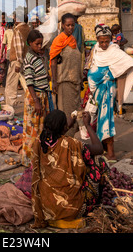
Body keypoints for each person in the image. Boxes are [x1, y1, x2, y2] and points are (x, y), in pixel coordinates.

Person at [31, 109, 108, 229]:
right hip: (72, 209)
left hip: (47, 207)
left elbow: (56, 136)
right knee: (99, 161)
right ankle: (97, 200)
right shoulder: (71, 144)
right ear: (63, 128)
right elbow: (99, 148)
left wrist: (69, 123)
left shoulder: (39, 142)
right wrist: (88, 125)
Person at [87, 24, 133, 160]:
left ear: (111, 38)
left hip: (107, 91)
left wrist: (111, 73)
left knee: (107, 121)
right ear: (97, 40)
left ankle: (111, 153)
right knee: (95, 120)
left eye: (106, 41)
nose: (104, 44)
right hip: (95, 91)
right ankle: (102, 147)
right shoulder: (95, 49)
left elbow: (128, 63)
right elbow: (91, 66)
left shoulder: (115, 51)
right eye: (101, 41)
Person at [49, 13, 82, 137]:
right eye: (67, 25)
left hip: (75, 82)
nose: (70, 28)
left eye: (72, 25)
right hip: (65, 82)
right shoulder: (59, 40)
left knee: (75, 112)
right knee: (67, 114)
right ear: (62, 25)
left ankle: (72, 139)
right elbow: (53, 61)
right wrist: (54, 81)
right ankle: (66, 140)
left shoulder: (73, 40)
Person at [22, 29, 50, 167]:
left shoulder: (40, 56)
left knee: (41, 128)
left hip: (43, 95)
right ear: (30, 43)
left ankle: (39, 157)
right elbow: (29, 81)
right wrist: (36, 101)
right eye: (37, 44)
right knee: (32, 130)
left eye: (41, 44)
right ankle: (30, 160)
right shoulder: (29, 58)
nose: (39, 47)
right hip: (35, 96)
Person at [4, 13, 31, 107]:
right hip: (26, 59)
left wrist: (18, 63)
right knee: (26, 83)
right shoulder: (28, 28)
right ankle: (32, 101)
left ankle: (9, 107)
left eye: (15, 17)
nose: (14, 19)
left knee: (11, 85)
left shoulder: (18, 30)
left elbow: (19, 47)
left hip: (17, 60)